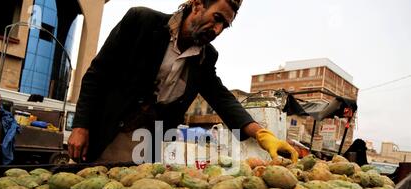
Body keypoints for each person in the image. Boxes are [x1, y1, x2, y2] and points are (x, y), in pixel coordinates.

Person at [68, 0, 298, 164]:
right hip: (105, 133)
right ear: (197, 4)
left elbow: (222, 98)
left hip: (148, 146)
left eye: (224, 26)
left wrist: (262, 134)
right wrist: (80, 127)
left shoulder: (206, 57)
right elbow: (97, 75)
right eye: (217, 18)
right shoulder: (141, 21)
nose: (217, 29)